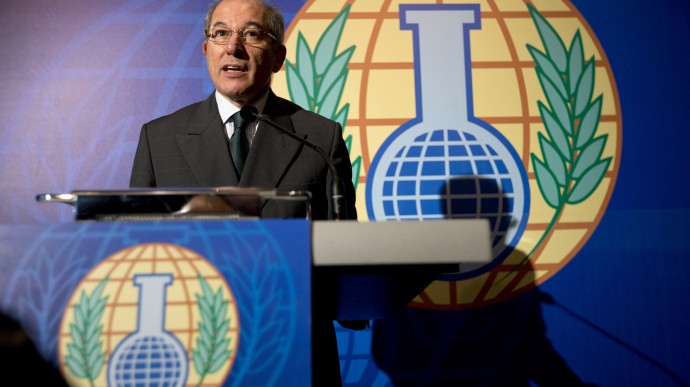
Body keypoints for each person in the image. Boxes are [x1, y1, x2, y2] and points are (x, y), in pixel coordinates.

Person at [129, 0, 358, 385]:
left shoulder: (320, 137)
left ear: (278, 57)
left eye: (251, 34)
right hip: (193, 349)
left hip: (294, 346)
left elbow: (345, 250)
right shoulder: (159, 137)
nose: (233, 47)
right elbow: (137, 248)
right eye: (220, 33)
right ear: (206, 50)